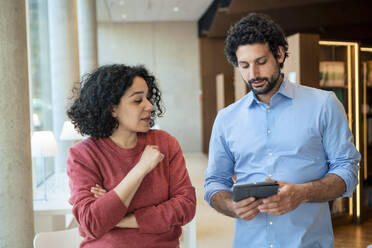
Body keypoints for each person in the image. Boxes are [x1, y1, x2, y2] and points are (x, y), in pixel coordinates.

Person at [204, 13, 360, 248]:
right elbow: (215, 182)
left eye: (261, 62)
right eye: (244, 66)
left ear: (279, 54)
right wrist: (230, 206)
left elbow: (348, 170)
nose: (253, 74)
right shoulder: (226, 119)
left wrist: (303, 193)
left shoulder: (324, 105)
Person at [66, 64, 196, 248]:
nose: (150, 106)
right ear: (112, 109)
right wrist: (141, 169)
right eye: (137, 101)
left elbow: (186, 206)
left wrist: (119, 216)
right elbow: (93, 223)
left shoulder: (165, 143)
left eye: (148, 98)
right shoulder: (83, 155)